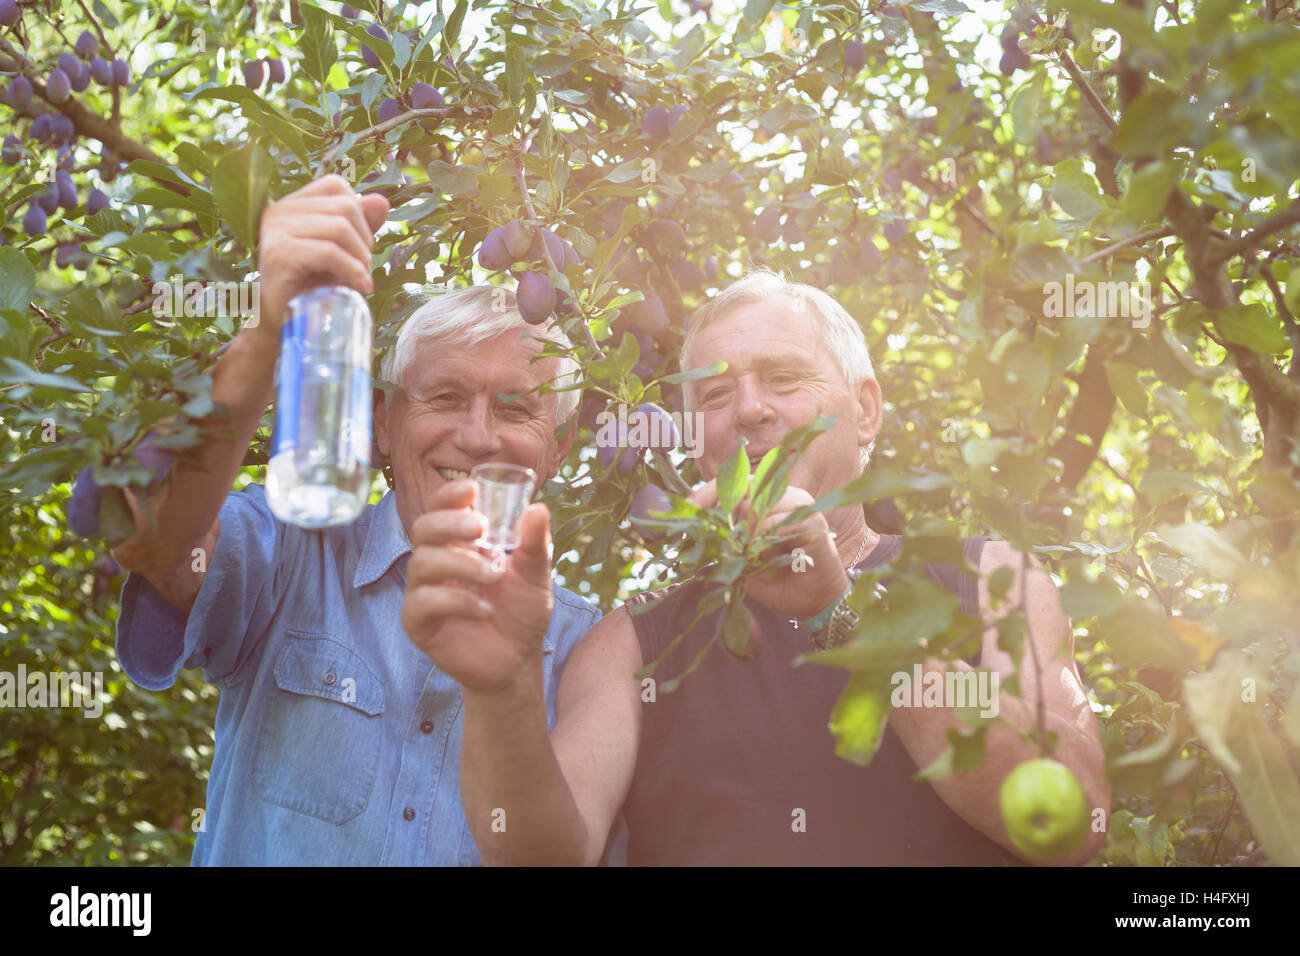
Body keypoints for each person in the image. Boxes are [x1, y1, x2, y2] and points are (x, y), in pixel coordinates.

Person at [408, 269, 1109, 865]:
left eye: (782, 378)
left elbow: (1072, 824)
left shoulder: (992, 580)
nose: (748, 410)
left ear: (865, 411)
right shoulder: (633, 644)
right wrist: (501, 689)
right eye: (713, 395)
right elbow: (545, 854)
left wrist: (840, 611)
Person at [111, 175, 602, 865]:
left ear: (559, 449)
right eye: (445, 395)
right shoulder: (289, 554)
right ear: (382, 422)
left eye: (518, 408)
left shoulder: (590, 651)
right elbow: (157, 538)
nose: (478, 434)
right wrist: (266, 331)